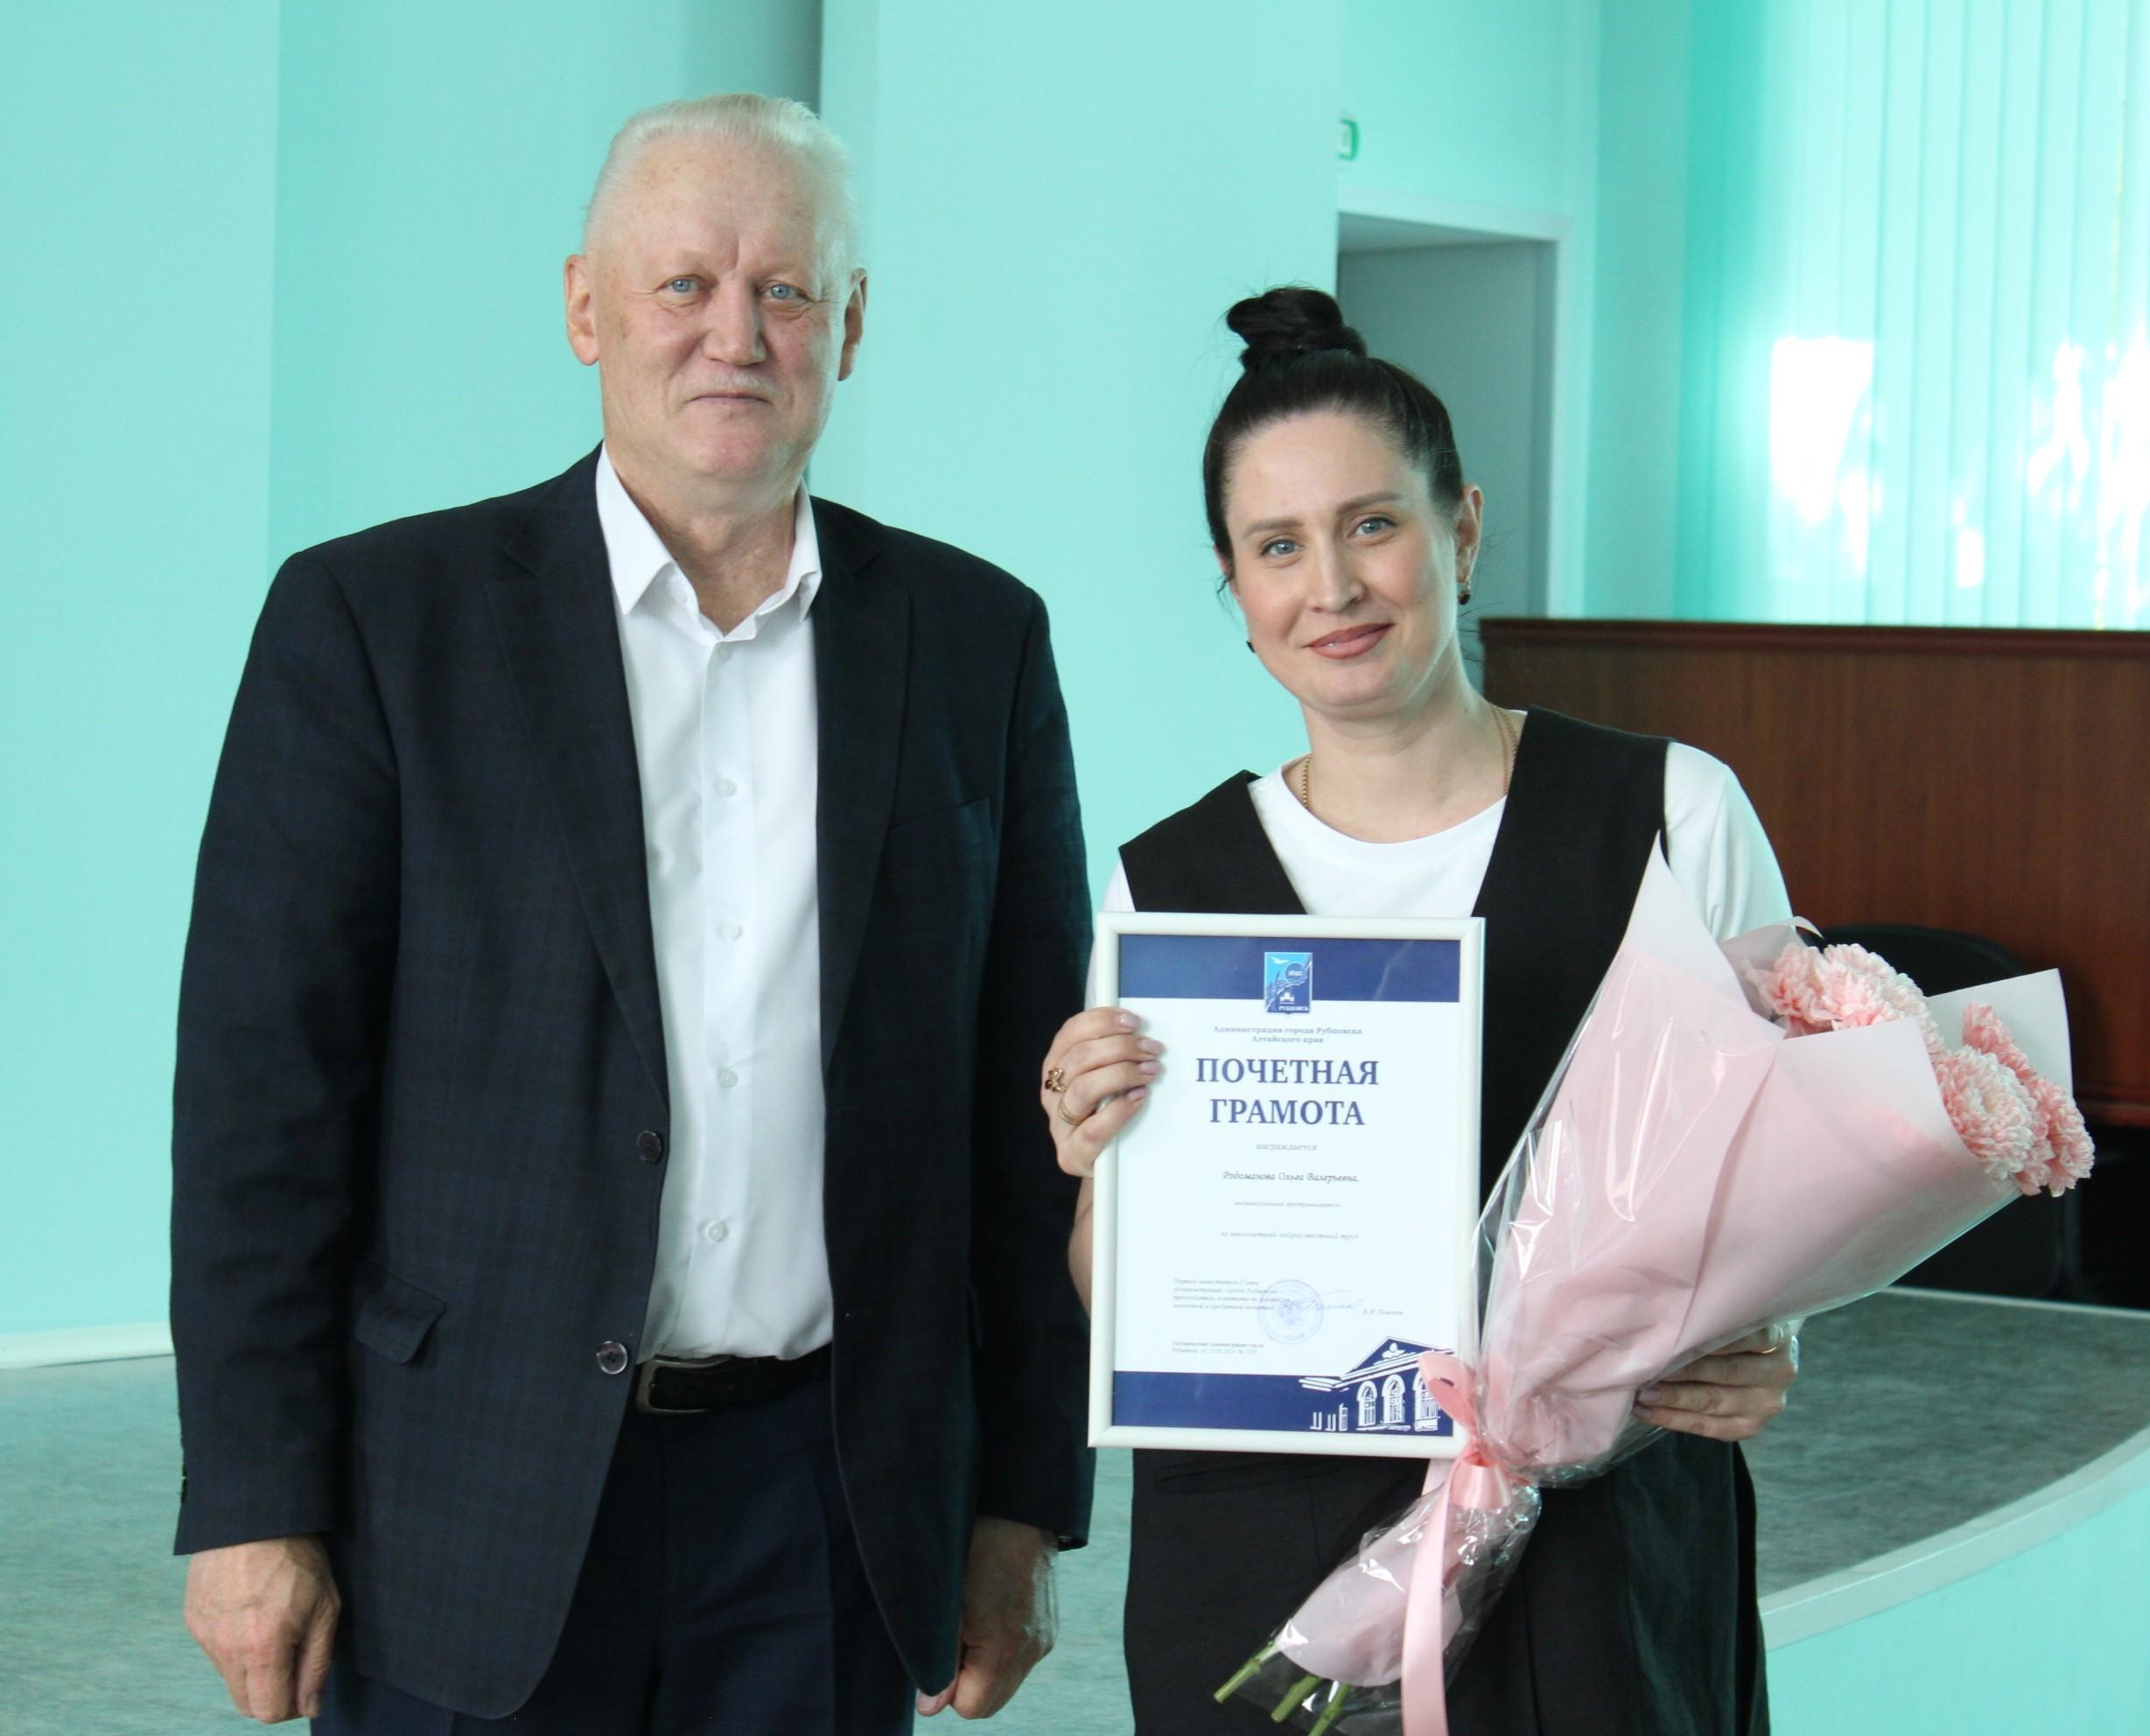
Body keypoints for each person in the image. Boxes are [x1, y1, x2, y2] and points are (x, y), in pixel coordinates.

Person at [171, 94, 1092, 1734]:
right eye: (684, 285)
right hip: (466, 1493)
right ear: (586, 308)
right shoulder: (376, 621)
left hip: (832, 1504)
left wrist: (1020, 1504)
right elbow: (264, 1099)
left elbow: (1027, 1117)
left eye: (786, 289)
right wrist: (253, 1501)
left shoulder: (977, 640)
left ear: (849, 327)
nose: (736, 334)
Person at [1040, 287, 1796, 1734]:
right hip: (1261, 1577)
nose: (1332, 586)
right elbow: (1120, 1288)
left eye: (1373, 524)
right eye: (1278, 546)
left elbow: (1780, 1194)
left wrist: (1769, 1338)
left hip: (1597, 1567)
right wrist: (1097, 1164)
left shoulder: (1668, 815)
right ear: (1234, 590)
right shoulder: (1170, 888)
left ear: (1462, 530)